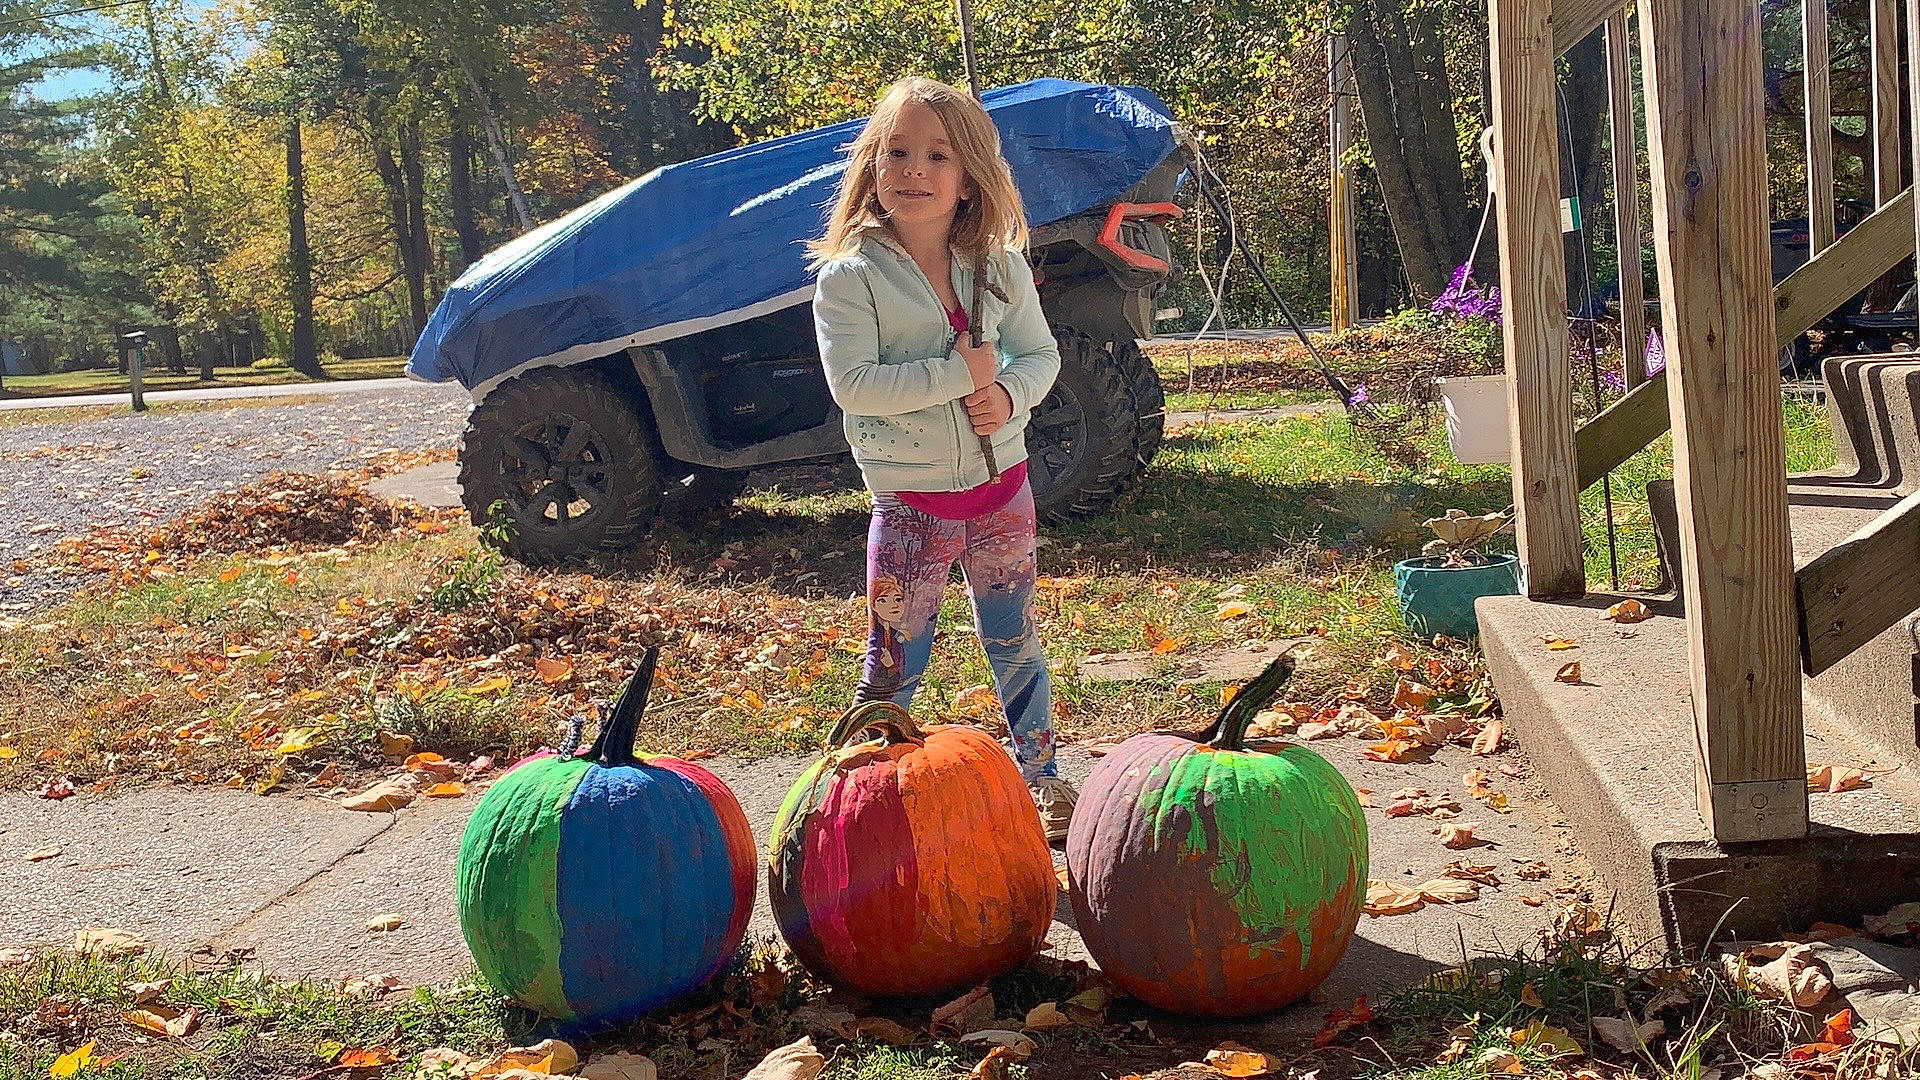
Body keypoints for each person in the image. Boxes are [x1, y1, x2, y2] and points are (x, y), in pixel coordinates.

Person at [808, 76, 1073, 840]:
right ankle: (869, 800)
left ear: (969, 179)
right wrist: (964, 375)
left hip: (1002, 495)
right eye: (896, 151)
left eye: (936, 155)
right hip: (912, 507)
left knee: (1015, 637)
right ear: (871, 165)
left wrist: (1011, 397)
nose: (913, 170)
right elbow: (855, 387)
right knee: (894, 655)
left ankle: (1042, 777)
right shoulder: (849, 278)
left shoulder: (999, 266)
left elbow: (1038, 354)